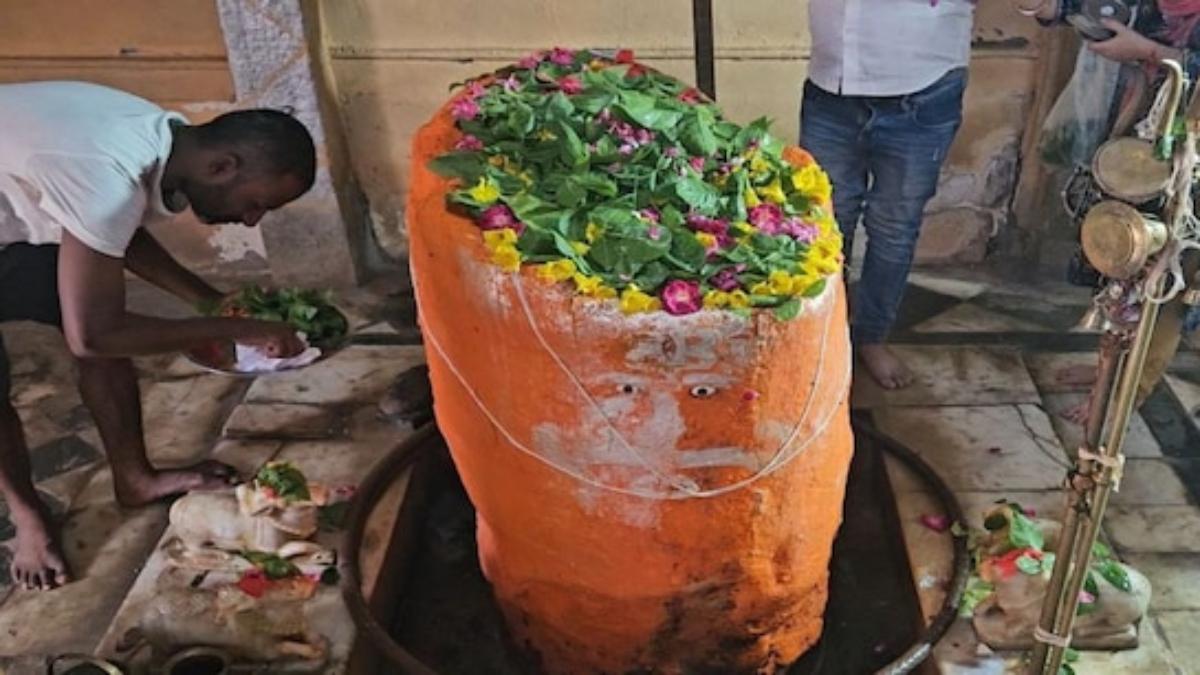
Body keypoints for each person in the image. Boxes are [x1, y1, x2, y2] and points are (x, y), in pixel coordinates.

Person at [0, 81, 315, 590]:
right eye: (257, 203)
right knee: (92, 335)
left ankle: (135, 478)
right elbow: (95, 336)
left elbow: (112, 229)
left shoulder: (156, 135)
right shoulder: (109, 175)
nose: (252, 219)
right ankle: (28, 519)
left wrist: (207, 301)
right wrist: (243, 328)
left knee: (108, 324)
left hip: (14, 220)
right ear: (222, 168)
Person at [1020, 1, 1200, 422]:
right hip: (1138, 134)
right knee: (1121, 253)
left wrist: (1148, 51)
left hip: (1188, 152)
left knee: (1167, 276)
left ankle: (1124, 396)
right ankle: (1111, 367)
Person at [799, 0, 975, 390]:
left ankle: (871, 337)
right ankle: (823, 334)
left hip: (922, 88)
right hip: (831, 86)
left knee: (894, 224)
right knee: (822, 220)